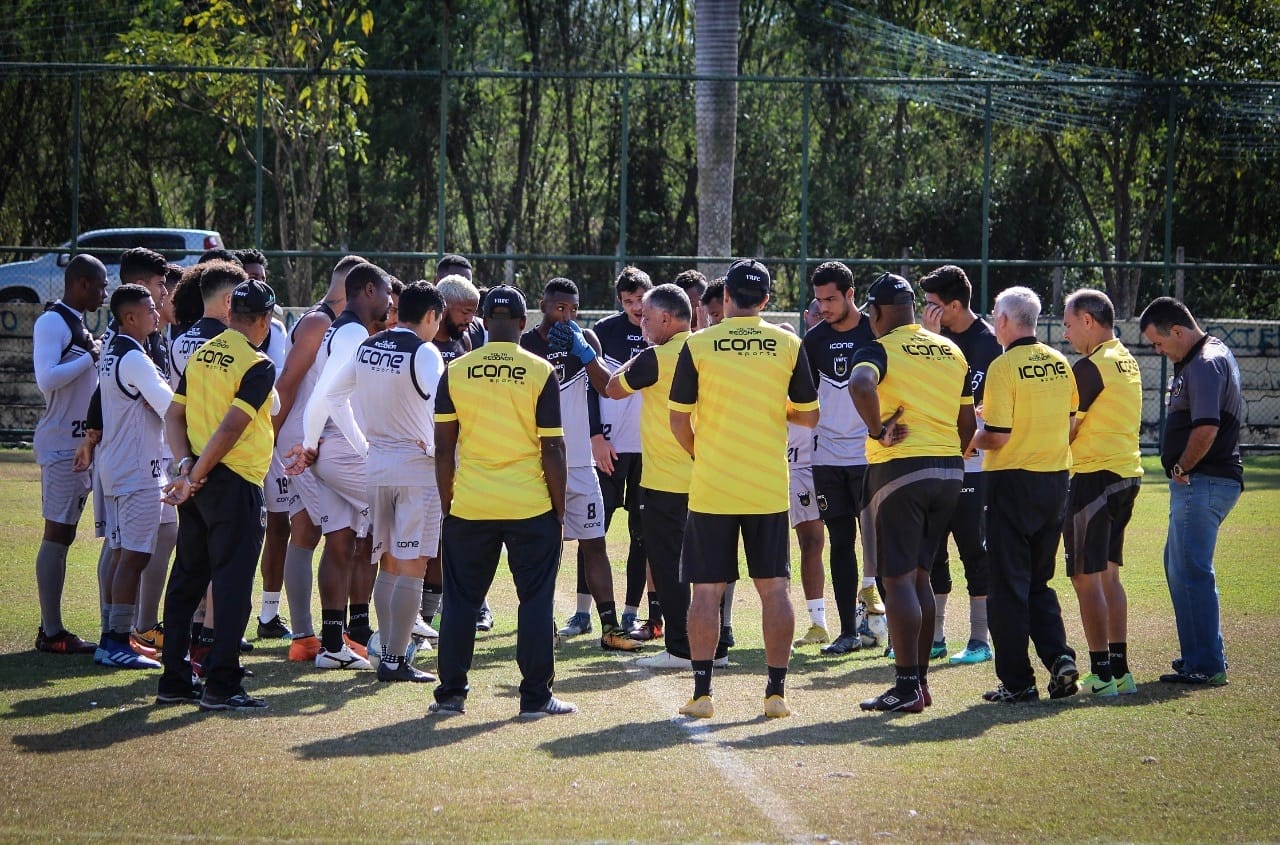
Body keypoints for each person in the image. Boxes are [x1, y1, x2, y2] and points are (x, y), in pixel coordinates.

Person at [669, 259, 819, 719]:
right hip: (768, 487)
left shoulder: (699, 344)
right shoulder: (788, 343)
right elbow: (810, 416)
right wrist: (779, 410)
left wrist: (702, 454)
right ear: (767, 301)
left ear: (725, 298)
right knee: (775, 590)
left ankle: (702, 694)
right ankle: (776, 693)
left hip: (713, 486)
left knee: (706, 593)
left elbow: (678, 419)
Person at [430, 285, 577, 717]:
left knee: (461, 602)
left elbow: (443, 449)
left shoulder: (455, 369)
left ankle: (452, 695)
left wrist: (447, 503)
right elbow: (553, 448)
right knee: (534, 600)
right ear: (522, 324)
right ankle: (535, 698)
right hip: (530, 504)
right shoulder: (539, 370)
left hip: (470, 505)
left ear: (484, 324)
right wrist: (559, 510)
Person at [848, 273, 974, 712]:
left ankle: (905, 687)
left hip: (900, 470)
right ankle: (918, 684)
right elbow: (968, 426)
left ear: (878, 312)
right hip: (949, 471)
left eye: (869, 312)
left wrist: (877, 430)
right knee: (919, 576)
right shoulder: (951, 350)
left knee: (896, 579)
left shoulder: (878, 348)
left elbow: (861, 384)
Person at [311, 281, 447, 682]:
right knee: (412, 565)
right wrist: (435, 451)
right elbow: (444, 410)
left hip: (377, 466)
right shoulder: (425, 353)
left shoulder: (369, 345)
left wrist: (364, 443)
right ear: (430, 317)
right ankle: (394, 660)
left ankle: (390, 653)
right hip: (415, 469)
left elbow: (334, 397)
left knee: (388, 561)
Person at [157, 278, 279, 710]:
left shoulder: (201, 355)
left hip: (199, 481)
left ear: (230, 314)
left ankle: (174, 678)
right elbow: (231, 427)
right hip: (232, 482)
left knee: (187, 580)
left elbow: (173, 416)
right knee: (230, 585)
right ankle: (221, 684)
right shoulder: (258, 363)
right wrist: (195, 472)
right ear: (263, 320)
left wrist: (186, 467)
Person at [968, 286, 1080, 703]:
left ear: (1003, 320)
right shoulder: (1059, 362)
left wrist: (967, 439)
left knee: (1007, 585)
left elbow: (997, 436)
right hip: (1054, 482)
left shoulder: (1003, 366)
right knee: (1037, 581)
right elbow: (1070, 424)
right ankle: (1059, 658)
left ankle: (1016, 681)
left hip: (1012, 483)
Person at [521, 278, 640, 652]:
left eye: (573, 309)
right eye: (560, 308)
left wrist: (583, 351)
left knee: (595, 543)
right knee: (544, 548)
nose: (567, 315)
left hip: (580, 465)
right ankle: (544, 623)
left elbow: (608, 387)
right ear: (542, 305)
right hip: (539, 467)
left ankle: (609, 626)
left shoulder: (584, 337)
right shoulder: (525, 346)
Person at [606, 284, 720, 671]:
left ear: (667, 319)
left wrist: (634, 359)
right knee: (709, 568)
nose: (642, 325)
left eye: (647, 318)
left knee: (670, 568)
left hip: (665, 482)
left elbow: (612, 388)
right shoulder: (706, 348)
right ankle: (715, 648)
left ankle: (679, 648)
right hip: (708, 475)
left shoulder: (654, 357)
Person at [286, 262, 393, 670]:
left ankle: (334, 645)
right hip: (345, 453)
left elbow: (320, 398)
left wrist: (312, 444)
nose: (389, 301)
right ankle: (399, 633)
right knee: (402, 517)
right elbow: (332, 396)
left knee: (342, 541)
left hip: (329, 450)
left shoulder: (342, 329)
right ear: (368, 291)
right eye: (385, 293)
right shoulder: (350, 332)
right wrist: (365, 448)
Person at [1140, 296, 1243, 687]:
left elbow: (1206, 429)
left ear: (1178, 331)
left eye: (1159, 343)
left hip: (1203, 479)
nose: (1158, 351)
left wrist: (1182, 466)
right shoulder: (1201, 359)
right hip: (1203, 480)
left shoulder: (1204, 363)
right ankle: (1201, 654)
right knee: (1179, 565)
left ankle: (1207, 663)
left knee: (1191, 569)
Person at [272, 254, 367, 661]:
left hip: (319, 439)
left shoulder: (338, 323)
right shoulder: (319, 323)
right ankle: (308, 636)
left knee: (319, 532)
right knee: (315, 532)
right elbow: (287, 385)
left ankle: (322, 635)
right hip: (305, 441)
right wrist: (272, 441)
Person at [1061, 288, 1143, 696]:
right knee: (1108, 574)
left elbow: (1068, 428)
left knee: (1083, 577)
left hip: (1095, 477)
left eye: (1068, 323)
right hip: (1127, 474)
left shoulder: (1090, 367)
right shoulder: (1126, 358)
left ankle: (1101, 674)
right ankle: (1121, 671)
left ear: (1089, 321)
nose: (1065, 332)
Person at [919, 264, 1001, 665]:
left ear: (954, 305)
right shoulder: (926, 340)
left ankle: (979, 639)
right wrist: (930, 340)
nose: (926, 311)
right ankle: (935, 637)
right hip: (933, 457)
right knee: (933, 551)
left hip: (974, 464)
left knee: (973, 548)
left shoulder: (989, 343)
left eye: (933, 305)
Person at [800, 261, 881, 656]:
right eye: (819, 300)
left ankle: (887, 629)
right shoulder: (813, 340)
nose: (825, 306)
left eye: (831, 298)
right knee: (841, 541)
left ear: (851, 294)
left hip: (871, 454)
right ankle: (848, 631)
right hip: (827, 457)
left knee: (880, 540)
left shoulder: (876, 332)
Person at [570, 266, 652, 638]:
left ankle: (632, 613)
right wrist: (595, 437)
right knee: (592, 531)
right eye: (628, 301)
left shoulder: (662, 331)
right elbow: (588, 387)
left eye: (640, 300)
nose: (636, 307)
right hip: (609, 449)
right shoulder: (604, 331)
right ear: (619, 302)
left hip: (649, 452)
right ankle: (582, 612)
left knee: (643, 535)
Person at [94, 284, 173, 669]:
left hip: (117, 466)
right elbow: (169, 406)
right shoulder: (135, 359)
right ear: (129, 318)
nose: (156, 313)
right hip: (138, 470)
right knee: (135, 557)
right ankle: (114, 642)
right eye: (149, 310)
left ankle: (115, 636)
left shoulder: (115, 352)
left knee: (123, 553)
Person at [32, 254, 107, 655]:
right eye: (99, 285)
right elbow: (46, 378)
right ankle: (51, 630)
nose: (104, 292)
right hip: (61, 444)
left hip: (86, 444)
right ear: (79, 283)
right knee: (58, 534)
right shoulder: (52, 322)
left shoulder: (77, 324)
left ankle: (116, 626)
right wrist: (88, 357)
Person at [235, 248, 294, 641]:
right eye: (246, 276)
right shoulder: (221, 341)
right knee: (233, 535)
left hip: (267, 443)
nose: (254, 281)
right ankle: (214, 621)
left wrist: (269, 441)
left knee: (279, 525)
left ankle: (269, 613)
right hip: (234, 448)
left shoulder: (279, 333)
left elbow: (276, 392)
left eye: (259, 275)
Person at [786, 307, 829, 647]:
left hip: (825, 466)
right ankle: (817, 623)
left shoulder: (821, 370)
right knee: (806, 543)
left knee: (821, 541)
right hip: (787, 467)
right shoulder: (775, 374)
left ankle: (864, 616)